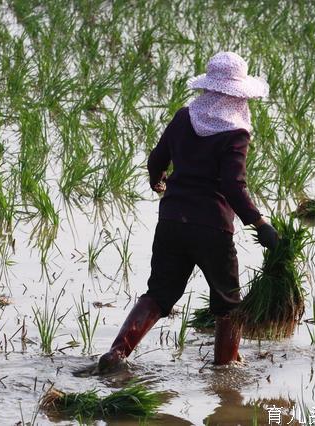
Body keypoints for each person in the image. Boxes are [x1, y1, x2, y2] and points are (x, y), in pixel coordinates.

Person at [96, 51, 278, 373]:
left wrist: (157, 182)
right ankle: (225, 370)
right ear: (238, 95)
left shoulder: (185, 117)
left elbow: (156, 159)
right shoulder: (235, 133)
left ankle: (117, 353)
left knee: (159, 295)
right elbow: (232, 185)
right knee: (228, 305)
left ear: (209, 88)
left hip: (172, 221)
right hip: (212, 227)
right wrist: (260, 223)